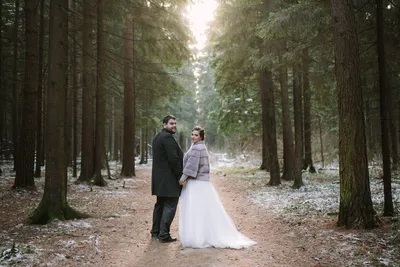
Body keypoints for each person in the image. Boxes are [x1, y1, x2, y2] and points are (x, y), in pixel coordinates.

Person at [178, 126, 256, 249]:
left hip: (197, 183)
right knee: (202, 211)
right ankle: (202, 235)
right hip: (201, 183)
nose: (193, 136)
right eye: (192, 134)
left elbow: (191, 167)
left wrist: (182, 179)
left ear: (201, 137)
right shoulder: (199, 146)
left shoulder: (197, 148)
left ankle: (198, 238)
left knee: (196, 211)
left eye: (196, 135)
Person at [151, 115, 183, 243]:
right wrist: (180, 177)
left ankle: (155, 232)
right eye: (171, 123)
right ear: (164, 125)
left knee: (160, 204)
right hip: (168, 179)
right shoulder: (168, 138)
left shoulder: (157, 137)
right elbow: (173, 160)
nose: (174, 125)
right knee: (170, 205)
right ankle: (164, 235)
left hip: (159, 180)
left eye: (175, 123)